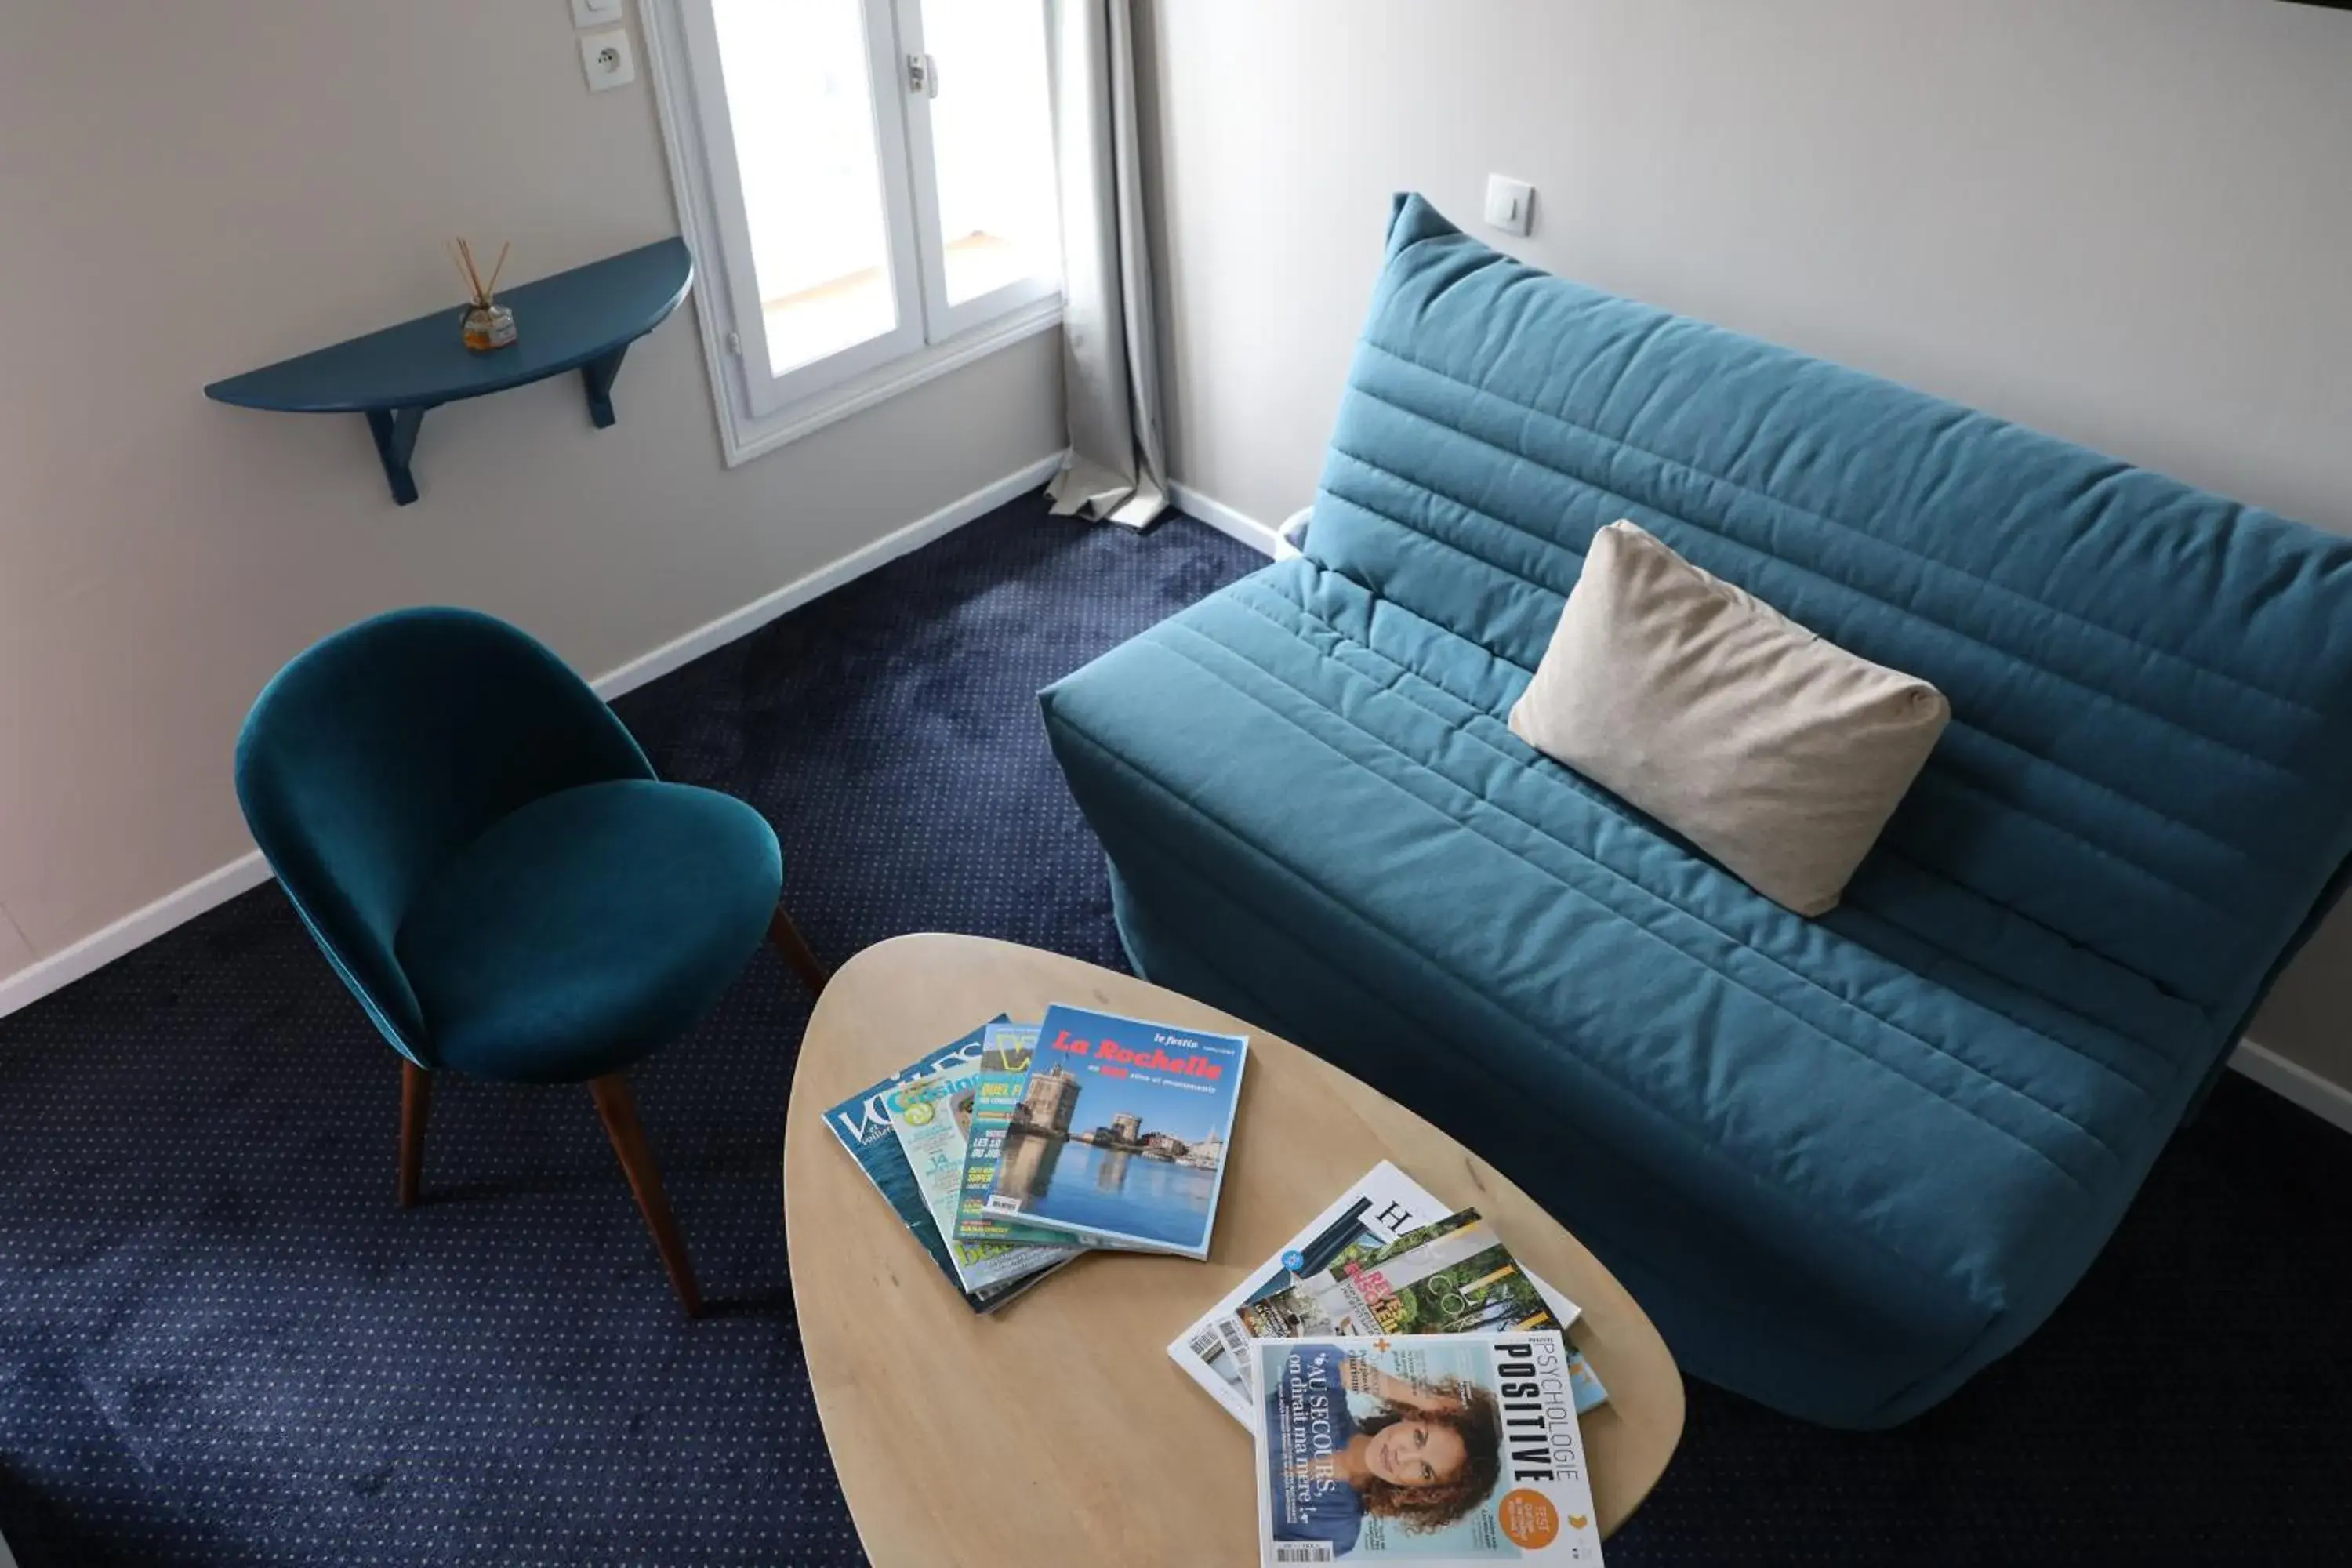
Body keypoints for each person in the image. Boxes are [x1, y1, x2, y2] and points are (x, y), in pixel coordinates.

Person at [1263, 1345, 1504, 1556]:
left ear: (1423, 1492)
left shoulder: (1339, 1531)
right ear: (1413, 1416)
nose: (1402, 1456)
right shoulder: (1326, 1403)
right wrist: (1428, 1400)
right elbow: (1312, 1353)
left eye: (1425, 1471)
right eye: (1419, 1437)